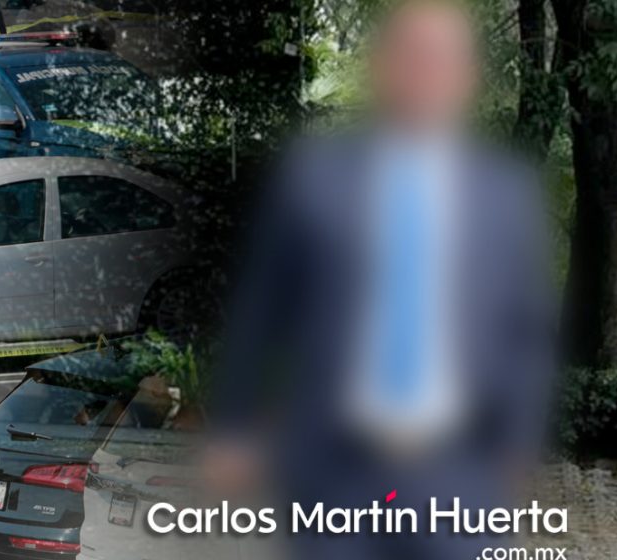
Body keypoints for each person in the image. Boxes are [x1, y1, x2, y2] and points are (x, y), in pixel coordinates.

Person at [210, 1, 556, 559]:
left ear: (466, 77)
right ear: (381, 66)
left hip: (459, 473)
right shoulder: (314, 178)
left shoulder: (507, 195)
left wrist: (517, 441)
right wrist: (235, 422)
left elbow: (526, 329)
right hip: (332, 466)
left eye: (441, 58)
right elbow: (262, 305)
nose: (425, 72)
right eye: (411, 55)